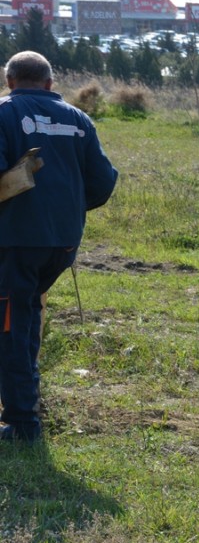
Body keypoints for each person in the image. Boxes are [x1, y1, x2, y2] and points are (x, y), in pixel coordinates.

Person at [0, 51, 118, 443]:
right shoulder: (78, 119)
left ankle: (22, 423)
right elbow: (102, 182)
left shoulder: (3, 113)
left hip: (15, 241)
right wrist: (64, 209)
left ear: (9, 80)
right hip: (62, 244)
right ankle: (27, 406)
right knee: (28, 314)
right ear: (50, 84)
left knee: (11, 327)